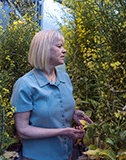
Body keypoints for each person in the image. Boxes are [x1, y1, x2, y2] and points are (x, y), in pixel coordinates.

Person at [10, 30, 92, 160]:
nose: (64, 50)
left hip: (67, 155)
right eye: (59, 46)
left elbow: (55, 108)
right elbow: (23, 130)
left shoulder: (64, 78)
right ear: (44, 49)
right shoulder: (25, 84)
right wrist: (63, 132)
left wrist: (74, 114)